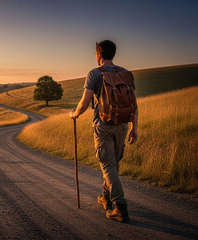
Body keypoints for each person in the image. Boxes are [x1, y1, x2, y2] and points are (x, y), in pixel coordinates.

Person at [69, 40, 138, 222]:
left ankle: (120, 207)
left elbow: (85, 103)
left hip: (103, 126)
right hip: (122, 125)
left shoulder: (94, 74)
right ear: (113, 54)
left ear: (98, 54)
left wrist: (74, 114)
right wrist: (134, 128)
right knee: (113, 164)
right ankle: (105, 198)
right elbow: (134, 105)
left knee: (107, 165)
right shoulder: (126, 74)